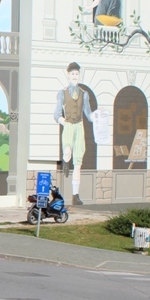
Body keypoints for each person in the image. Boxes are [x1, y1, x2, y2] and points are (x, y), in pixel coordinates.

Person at [54, 62, 95, 205]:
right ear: (68, 75)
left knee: (78, 162)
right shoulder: (63, 93)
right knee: (67, 150)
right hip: (69, 124)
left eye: (77, 74)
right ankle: (66, 161)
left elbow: (88, 113)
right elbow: (57, 114)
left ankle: (75, 195)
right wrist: (63, 121)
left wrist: (95, 116)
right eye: (72, 74)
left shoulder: (84, 94)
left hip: (79, 125)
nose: (75, 76)